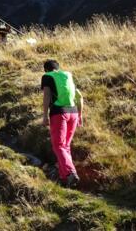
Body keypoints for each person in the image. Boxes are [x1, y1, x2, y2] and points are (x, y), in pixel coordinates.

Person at [41, 59, 83, 187]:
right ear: (58, 68)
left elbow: (47, 96)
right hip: (73, 112)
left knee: (58, 145)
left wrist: (45, 116)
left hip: (59, 113)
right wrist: (80, 115)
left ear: (46, 70)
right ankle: (64, 177)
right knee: (65, 146)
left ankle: (70, 173)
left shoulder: (47, 76)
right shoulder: (67, 76)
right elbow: (79, 96)